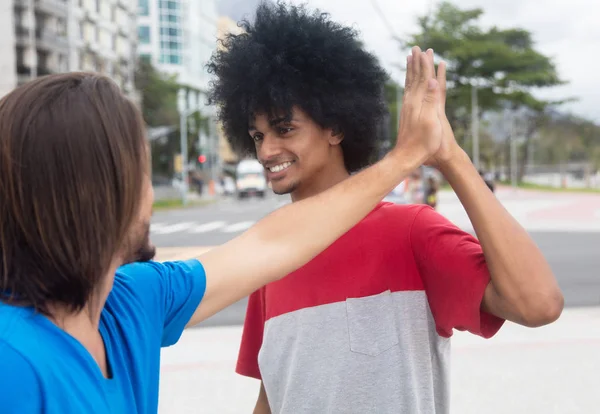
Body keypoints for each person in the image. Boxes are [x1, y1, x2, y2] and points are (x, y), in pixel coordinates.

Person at [0, 33, 442, 413]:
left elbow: (274, 244)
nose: (151, 196)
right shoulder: (13, 363)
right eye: (144, 173)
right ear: (101, 193)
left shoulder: (131, 301)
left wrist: (405, 157)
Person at [206, 3, 564, 413]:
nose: (267, 150)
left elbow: (538, 304)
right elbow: (272, 394)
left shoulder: (410, 232)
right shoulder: (268, 259)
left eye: (285, 129)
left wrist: (449, 156)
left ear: (335, 127)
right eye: (257, 135)